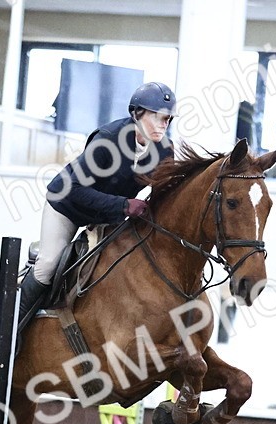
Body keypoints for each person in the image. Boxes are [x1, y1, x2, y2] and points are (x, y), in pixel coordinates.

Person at [16, 81, 177, 329]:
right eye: (157, 116)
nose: (163, 124)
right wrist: (124, 205)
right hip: (67, 206)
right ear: (137, 113)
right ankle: (7, 332)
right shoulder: (108, 140)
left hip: (107, 216)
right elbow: (75, 189)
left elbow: (164, 194)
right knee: (48, 264)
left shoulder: (164, 151)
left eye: (167, 118)